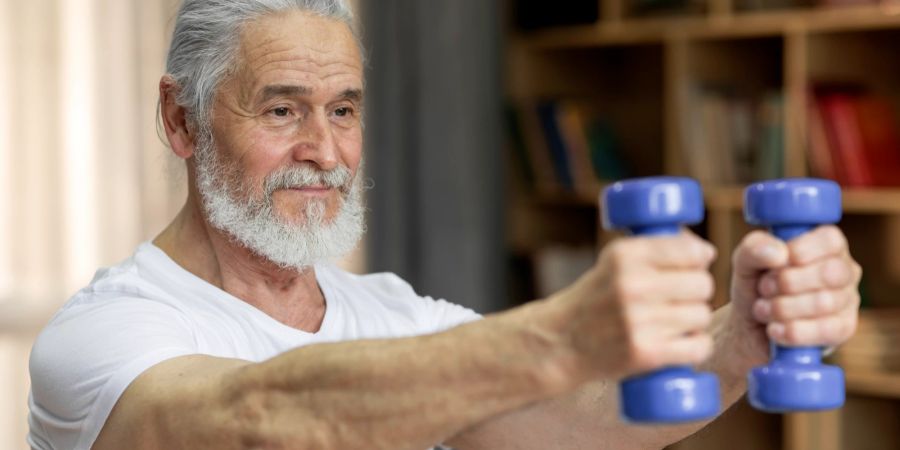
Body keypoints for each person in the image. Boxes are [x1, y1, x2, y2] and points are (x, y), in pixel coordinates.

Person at [27, 1, 862, 449]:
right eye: (282, 108)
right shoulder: (104, 335)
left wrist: (738, 342)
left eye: (344, 109)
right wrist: (559, 335)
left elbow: (584, 421)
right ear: (181, 121)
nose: (322, 151)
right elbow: (257, 424)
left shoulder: (399, 316)